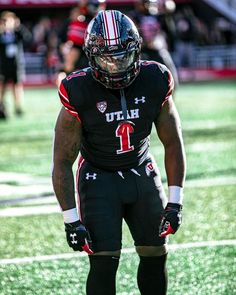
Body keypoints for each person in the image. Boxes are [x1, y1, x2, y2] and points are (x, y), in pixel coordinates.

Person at [52, 10, 186, 295]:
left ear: (137, 50)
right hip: (98, 178)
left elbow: (173, 141)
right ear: (91, 56)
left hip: (141, 172)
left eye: (122, 56)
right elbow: (62, 162)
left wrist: (175, 202)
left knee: (155, 253)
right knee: (103, 262)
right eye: (106, 59)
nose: (115, 66)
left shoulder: (156, 78)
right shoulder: (78, 89)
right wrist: (71, 220)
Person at [57, 0, 106, 85]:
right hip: (88, 61)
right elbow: (72, 50)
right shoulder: (81, 23)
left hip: (91, 63)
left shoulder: (84, 23)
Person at [0, 11, 31, 119]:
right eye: (5, 21)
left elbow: (28, 39)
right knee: (2, 86)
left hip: (16, 64)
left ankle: (17, 107)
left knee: (16, 86)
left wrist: (19, 27)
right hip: (3, 65)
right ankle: (1, 106)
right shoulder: (1, 33)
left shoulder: (17, 33)